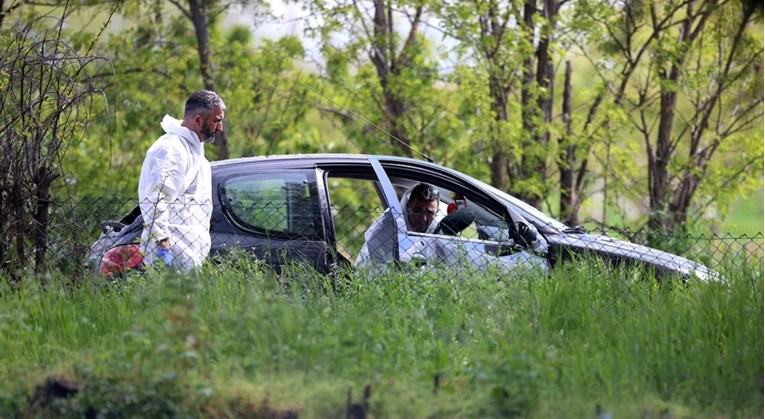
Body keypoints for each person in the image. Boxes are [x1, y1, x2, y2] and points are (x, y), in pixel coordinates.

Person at [138, 90, 226, 271]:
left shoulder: (194, 151)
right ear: (198, 120)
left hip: (188, 254)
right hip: (170, 251)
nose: (220, 127)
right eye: (216, 121)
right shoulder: (172, 149)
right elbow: (155, 199)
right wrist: (161, 242)